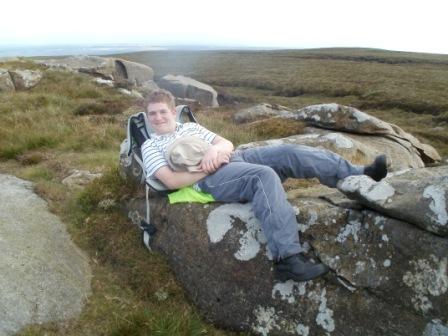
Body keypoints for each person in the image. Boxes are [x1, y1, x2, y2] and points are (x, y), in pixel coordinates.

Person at [141, 89, 388, 282]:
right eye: (152, 114)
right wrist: (211, 166)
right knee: (263, 176)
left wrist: (216, 151)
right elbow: (171, 181)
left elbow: (225, 143)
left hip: (232, 159)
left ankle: (359, 173)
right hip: (206, 180)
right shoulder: (150, 146)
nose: (158, 118)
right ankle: (288, 260)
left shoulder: (191, 127)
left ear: (173, 112)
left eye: (162, 112)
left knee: (289, 153)